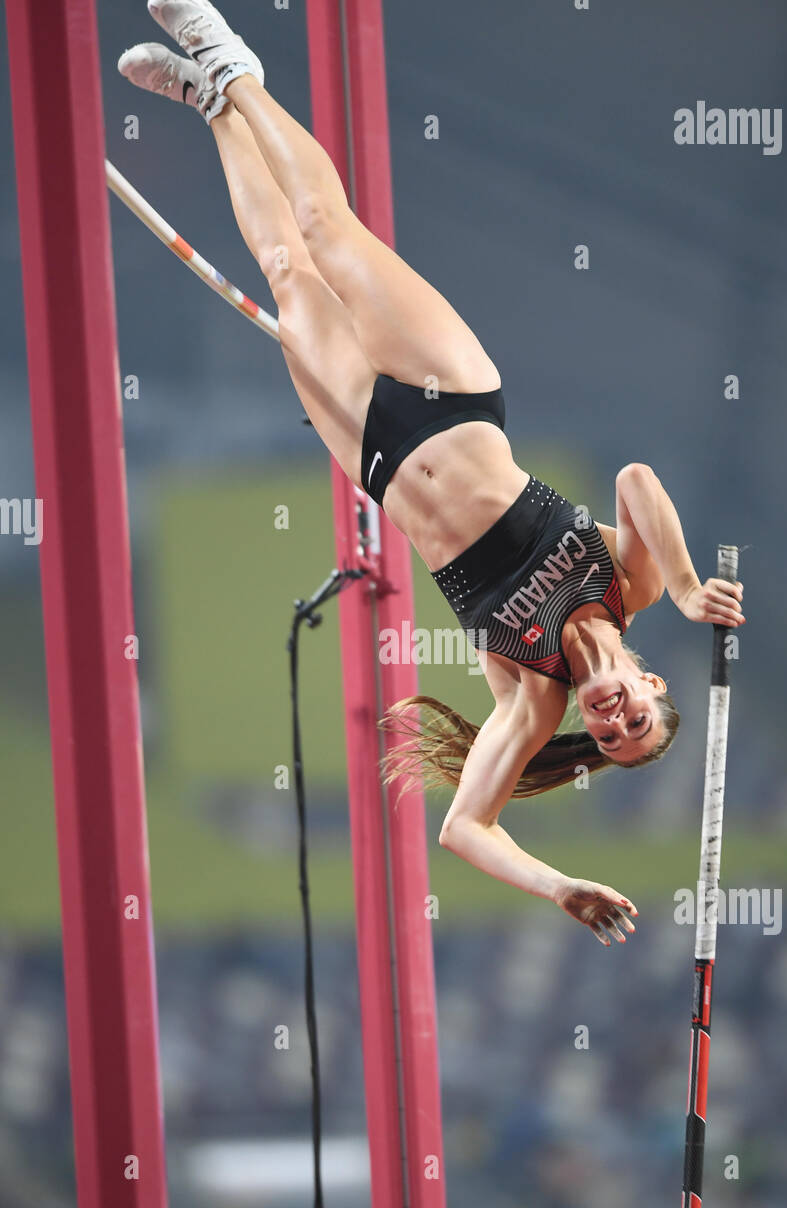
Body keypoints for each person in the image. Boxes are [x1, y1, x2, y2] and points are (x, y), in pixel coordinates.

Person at [119, 1, 745, 945]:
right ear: (653, 685)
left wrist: (560, 883)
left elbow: (464, 827)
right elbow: (639, 478)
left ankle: (212, 104)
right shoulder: (634, 584)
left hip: (374, 451)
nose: (614, 724)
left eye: (611, 741)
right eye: (639, 721)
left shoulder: (530, 696)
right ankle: (232, 61)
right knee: (328, 231)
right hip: (452, 391)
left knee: (287, 268)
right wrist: (690, 588)